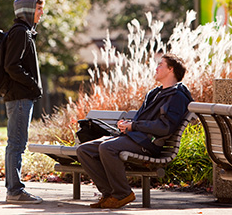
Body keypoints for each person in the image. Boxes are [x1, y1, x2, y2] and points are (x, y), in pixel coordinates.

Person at [76, 53, 193, 209]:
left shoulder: (177, 97)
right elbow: (141, 120)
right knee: (84, 150)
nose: (156, 68)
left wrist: (134, 126)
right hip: (135, 137)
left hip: (148, 143)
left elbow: (165, 127)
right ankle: (109, 194)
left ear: (171, 69)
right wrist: (128, 125)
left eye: (160, 65)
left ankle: (122, 193)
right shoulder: (155, 93)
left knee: (107, 147)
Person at [3, 0, 45, 204]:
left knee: (15, 144)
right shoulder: (20, 32)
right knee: (17, 144)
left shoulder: (24, 31)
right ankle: (15, 191)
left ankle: (13, 189)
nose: (41, 13)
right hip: (20, 98)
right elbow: (12, 66)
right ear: (28, 10)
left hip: (20, 97)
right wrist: (33, 84)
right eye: (38, 8)